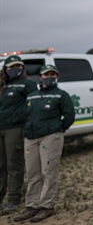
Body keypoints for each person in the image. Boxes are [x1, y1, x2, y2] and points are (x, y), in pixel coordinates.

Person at [13, 64, 75, 223]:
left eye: (53, 74)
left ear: (56, 77)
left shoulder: (61, 95)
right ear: (39, 77)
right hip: (31, 138)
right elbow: (27, 115)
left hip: (50, 137)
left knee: (48, 172)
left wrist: (58, 130)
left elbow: (69, 116)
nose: (49, 77)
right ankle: (31, 206)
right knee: (32, 173)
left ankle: (46, 206)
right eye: (46, 74)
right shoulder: (32, 95)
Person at [0, 56, 37, 215]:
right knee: (0, 165)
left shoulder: (27, 84)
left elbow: (34, 104)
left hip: (14, 128)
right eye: (11, 66)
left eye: (18, 65)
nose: (15, 68)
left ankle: (14, 199)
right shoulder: (2, 84)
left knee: (13, 164)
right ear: (5, 69)